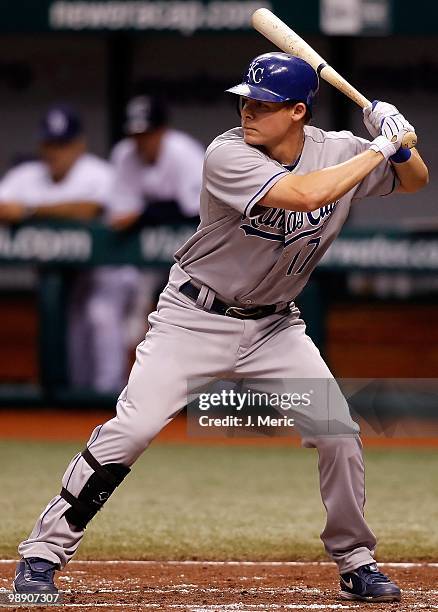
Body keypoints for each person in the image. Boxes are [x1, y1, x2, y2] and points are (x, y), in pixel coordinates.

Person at [13, 54, 428, 603]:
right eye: (245, 99)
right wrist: (378, 147)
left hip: (274, 327)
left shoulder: (338, 151)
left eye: (264, 103)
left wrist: (402, 144)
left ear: (299, 112)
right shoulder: (227, 153)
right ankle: (41, 555)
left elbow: (415, 182)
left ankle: (355, 560)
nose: (248, 109)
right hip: (193, 318)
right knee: (131, 432)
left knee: (339, 434)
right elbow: (306, 196)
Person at [0, 105, 114, 391]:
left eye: (61, 144)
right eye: (49, 143)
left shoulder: (97, 173)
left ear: (78, 145)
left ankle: (110, 396)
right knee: (71, 325)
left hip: (107, 273)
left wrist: (28, 210)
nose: (54, 152)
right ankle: (73, 402)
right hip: (65, 277)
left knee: (100, 315)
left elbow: (88, 209)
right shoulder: (26, 174)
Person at [107, 94, 204, 343]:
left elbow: (195, 210)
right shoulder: (124, 155)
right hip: (145, 257)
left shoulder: (184, 153)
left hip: (193, 246)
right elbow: (120, 215)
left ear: (162, 130)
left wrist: (144, 215)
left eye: (146, 134)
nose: (140, 142)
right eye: (135, 134)